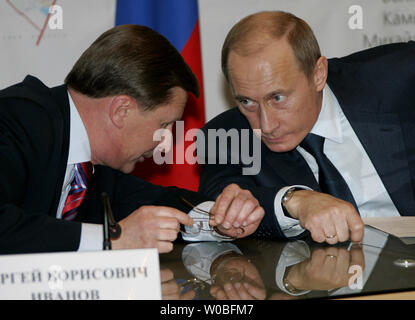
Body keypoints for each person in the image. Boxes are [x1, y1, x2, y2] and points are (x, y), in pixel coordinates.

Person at [0, 24, 264, 254]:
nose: (166, 143)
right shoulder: (16, 119)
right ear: (121, 110)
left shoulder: (95, 164)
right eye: (164, 124)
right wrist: (112, 239)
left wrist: (221, 217)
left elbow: (156, 202)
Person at [198, 11, 415, 244]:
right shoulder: (227, 137)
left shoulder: (400, 78)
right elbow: (219, 206)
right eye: (246, 102)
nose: (266, 125)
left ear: (318, 74)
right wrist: (294, 200)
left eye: (278, 98)